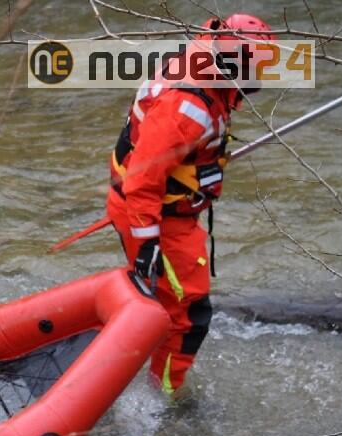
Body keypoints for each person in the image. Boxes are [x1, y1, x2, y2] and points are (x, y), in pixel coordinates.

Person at [106, 13, 274, 397]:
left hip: (160, 208)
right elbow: (144, 181)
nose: (259, 79)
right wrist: (148, 242)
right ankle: (162, 398)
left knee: (168, 307)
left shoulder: (205, 58)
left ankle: (148, 381)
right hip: (155, 217)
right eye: (256, 68)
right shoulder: (186, 107)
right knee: (188, 318)